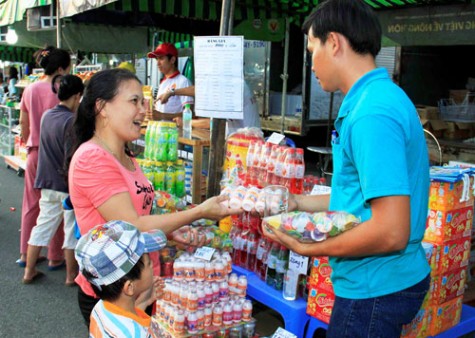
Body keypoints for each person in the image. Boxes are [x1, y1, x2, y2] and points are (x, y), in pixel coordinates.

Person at [261, 1, 430, 337]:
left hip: (374, 288)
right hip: (380, 282)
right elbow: (358, 196)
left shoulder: (372, 113)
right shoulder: (377, 99)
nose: (310, 65)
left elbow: (391, 231)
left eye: (312, 49)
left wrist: (309, 247)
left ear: (334, 43)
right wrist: (297, 204)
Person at [67, 68, 241, 326]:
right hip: (114, 296)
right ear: (102, 107)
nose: (143, 109)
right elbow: (133, 225)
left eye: (143, 100)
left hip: (141, 290)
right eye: (134, 101)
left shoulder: (126, 155)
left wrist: (174, 231)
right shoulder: (92, 159)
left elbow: (143, 214)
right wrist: (200, 212)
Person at [22, 75, 84, 285]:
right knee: (70, 230)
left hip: (46, 182)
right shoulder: (71, 121)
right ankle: (70, 276)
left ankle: (29, 271)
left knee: (42, 226)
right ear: (77, 96)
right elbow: (70, 155)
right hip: (65, 185)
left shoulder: (47, 116)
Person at [18, 46, 71, 269]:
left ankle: (25, 253)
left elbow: (23, 123)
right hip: (57, 156)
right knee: (60, 203)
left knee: (31, 204)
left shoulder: (30, 89)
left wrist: (27, 140)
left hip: (34, 152)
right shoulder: (61, 90)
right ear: (60, 68)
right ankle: (54, 256)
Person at [75, 220, 163, 337]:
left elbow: (125, 319)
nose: (153, 265)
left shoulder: (100, 308)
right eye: (149, 263)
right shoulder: (137, 334)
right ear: (129, 287)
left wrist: (144, 301)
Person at [159, 83, 261, 136]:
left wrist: (186, 122)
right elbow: (200, 89)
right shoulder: (236, 84)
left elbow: (213, 123)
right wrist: (172, 92)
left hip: (246, 145)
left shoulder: (233, 89)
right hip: (241, 141)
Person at [147, 43, 193, 121]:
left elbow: (190, 114)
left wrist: (162, 116)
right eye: (156, 59)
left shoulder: (183, 81)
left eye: (161, 58)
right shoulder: (163, 82)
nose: (158, 63)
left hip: (176, 132)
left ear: (172, 60)